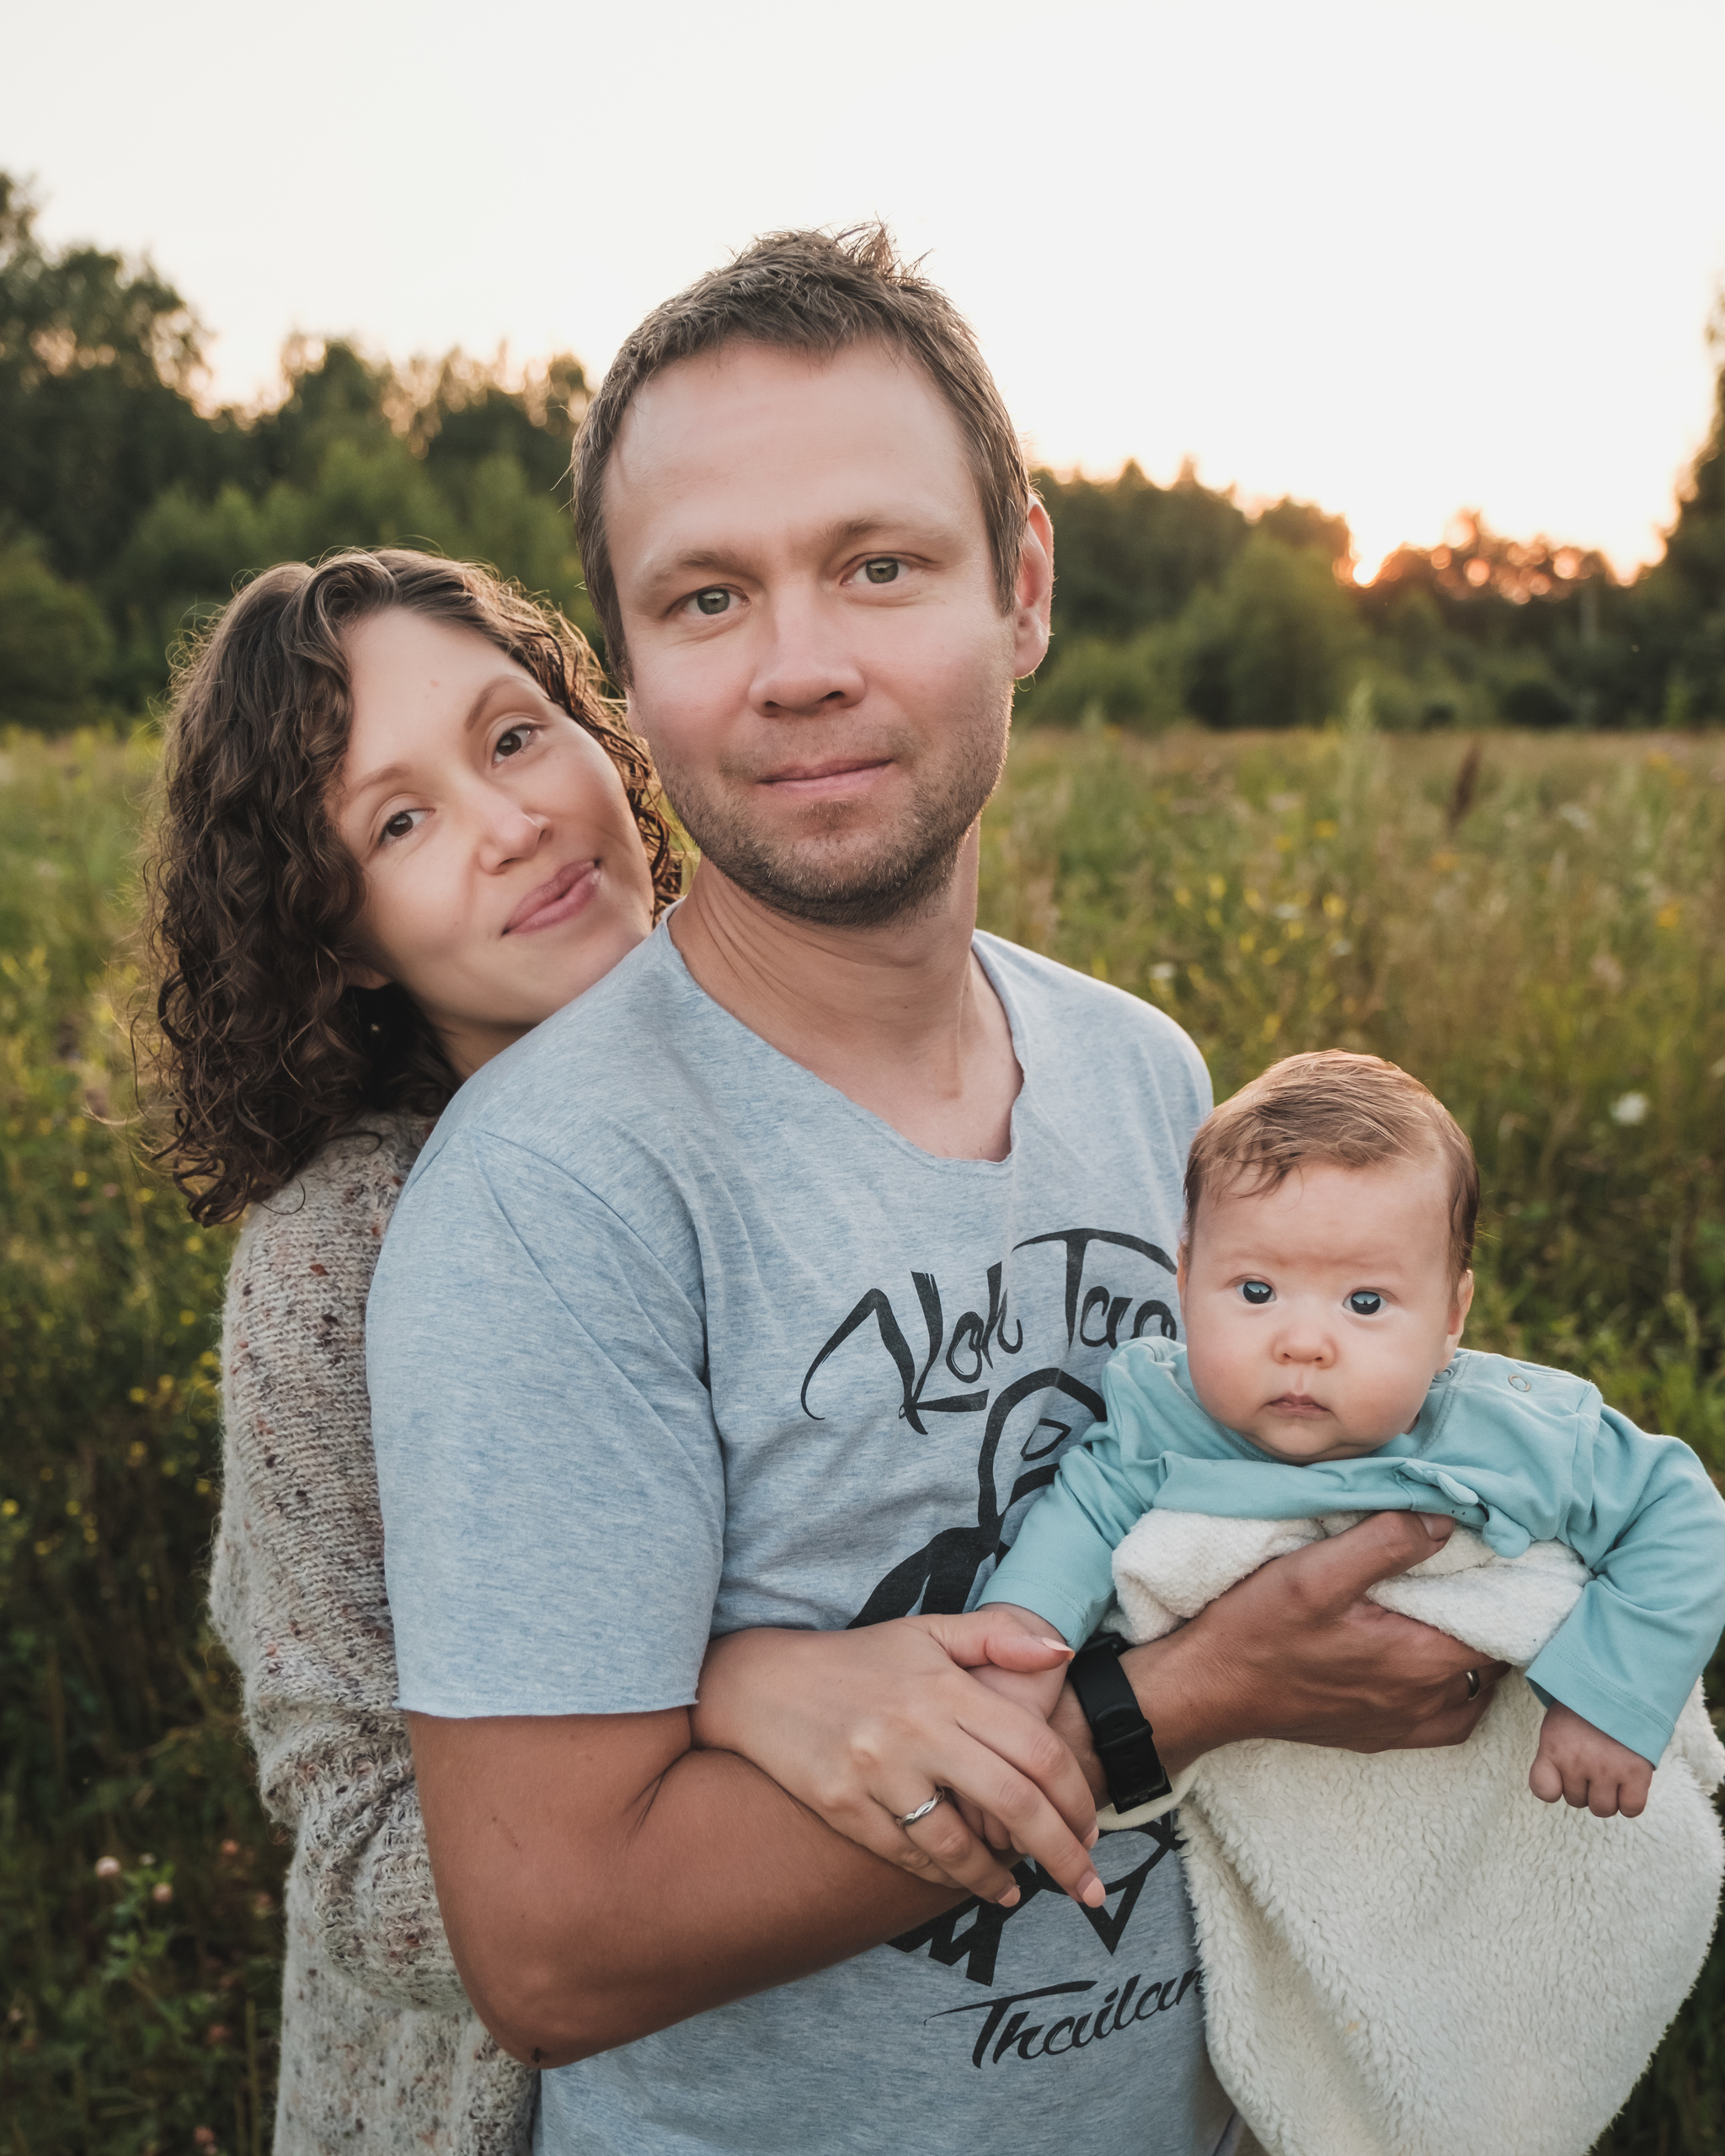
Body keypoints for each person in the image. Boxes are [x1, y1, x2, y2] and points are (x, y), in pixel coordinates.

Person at [366, 228, 1504, 2156]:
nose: (799, 664)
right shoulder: (557, 1192)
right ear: (629, 662)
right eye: (708, 596)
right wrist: (1185, 1698)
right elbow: (551, 1943)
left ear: (1022, 586)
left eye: (877, 565)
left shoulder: (1144, 1074)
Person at [142, 550, 679, 2154]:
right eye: (400, 822)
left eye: (514, 737)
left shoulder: (846, 1075)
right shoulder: (340, 1260)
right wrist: (750, 1728)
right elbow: (364, 1851)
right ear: (346, 936)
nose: (509, 822)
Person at [977, 1049, 1725, 1818]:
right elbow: (1077, 1526)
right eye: (1257, 1290)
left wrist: (1607, 1695)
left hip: (1462, 1801)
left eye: (1365, 1302)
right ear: (1188, 1282)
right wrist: (1017, 1646)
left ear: (1451, 1318)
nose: (1304, 1344)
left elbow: (1674, 1509)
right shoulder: (1161, 1416)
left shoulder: (1510, 1430)